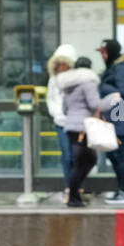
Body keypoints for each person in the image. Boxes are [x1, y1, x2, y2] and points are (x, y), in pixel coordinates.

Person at [59, 56, 118, 207]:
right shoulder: (88, 82)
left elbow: (65, 110)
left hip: (72, 127)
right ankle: (73, 197)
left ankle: (74, 196)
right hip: (83, 128)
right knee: (86, 162)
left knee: (82, 162)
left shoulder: (68, 86)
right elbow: (95, 105)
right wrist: (112, 99)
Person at [97, 38, 124, 204]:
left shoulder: (121, 67)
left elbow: (122, 92)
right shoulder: (115, 67)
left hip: (118, 114)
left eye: (104, 52)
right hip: (113, 114)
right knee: (113, 154)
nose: (102, 56)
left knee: (118, 154)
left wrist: (101, 87)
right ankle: (121, 189)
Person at [45, 44, 79, 202]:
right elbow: (51, 99)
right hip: (61, 123)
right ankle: (69, 186)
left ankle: (77, 185)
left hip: (77, 123)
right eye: (59, 64)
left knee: (78, 156)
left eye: (65, 63)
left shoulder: (77, 79)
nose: (62, 67)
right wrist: (57, 114)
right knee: (67, 156)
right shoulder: (53, 80)